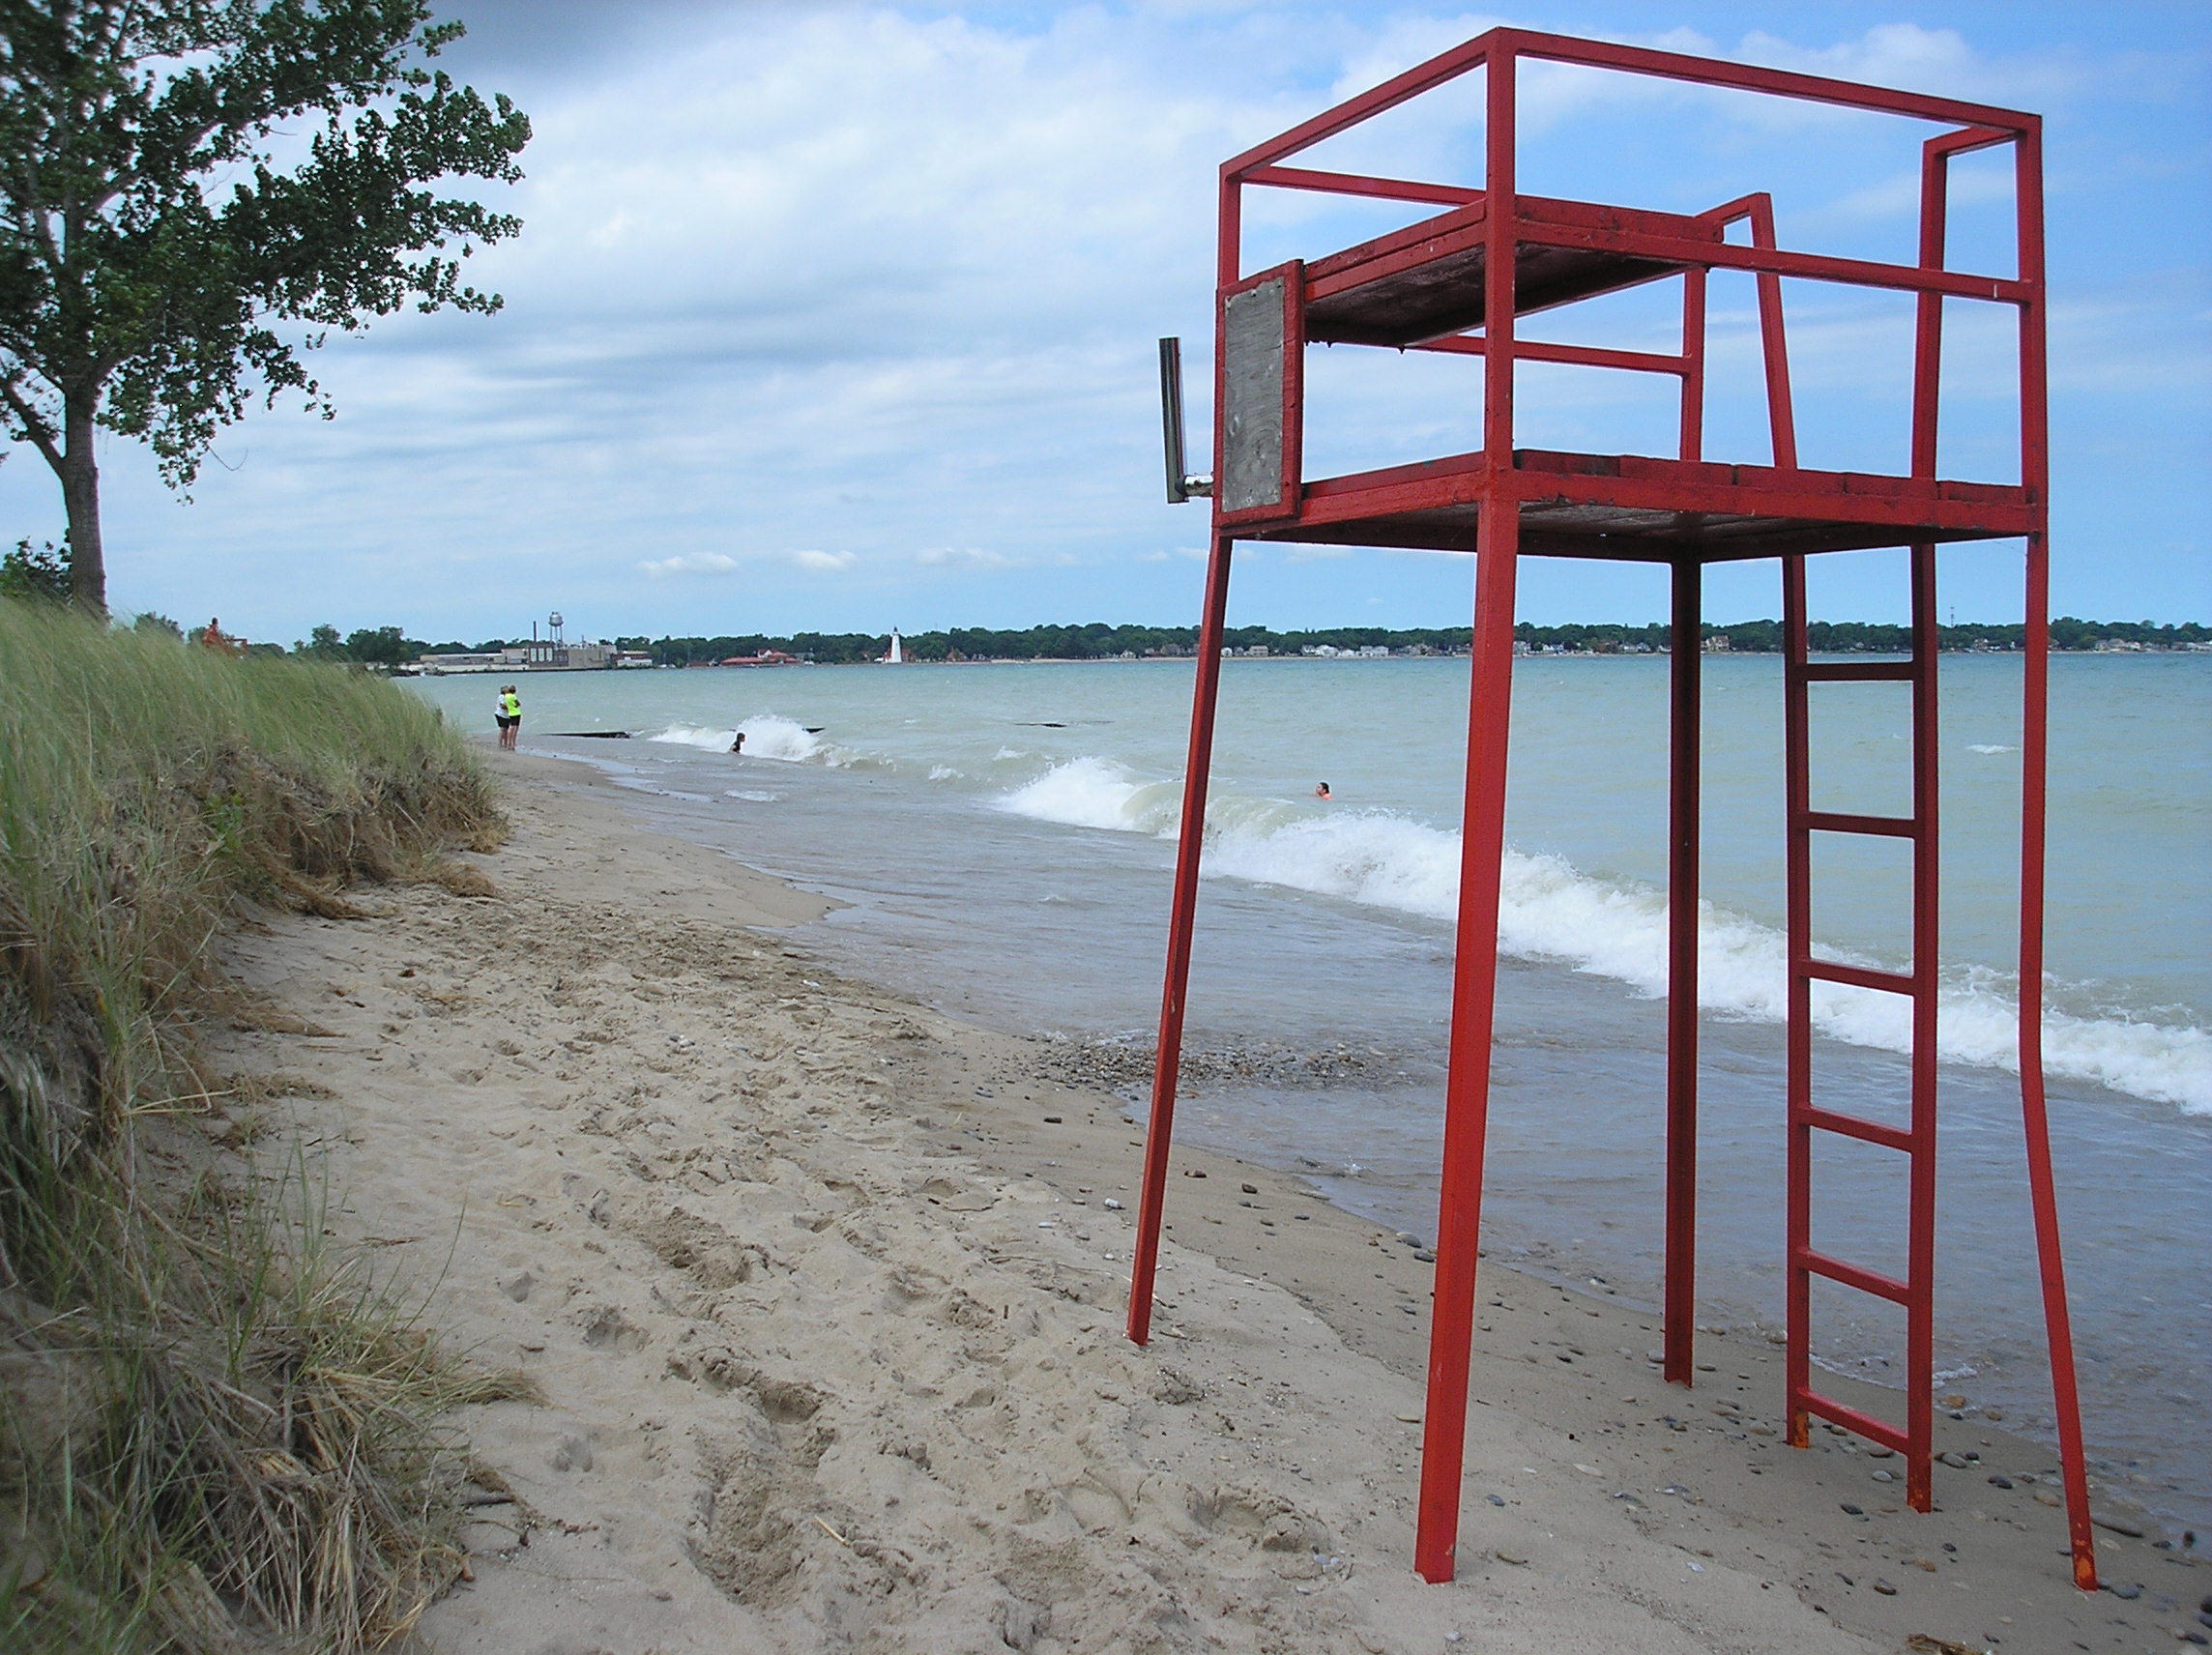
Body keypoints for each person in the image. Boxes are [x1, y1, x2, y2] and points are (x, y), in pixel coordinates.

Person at [497, 683, 522, 749]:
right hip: (504, 714)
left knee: (506, 729)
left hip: (508, 714)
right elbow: (503, 706)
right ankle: (505, 743)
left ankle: (506, 743)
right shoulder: (504, 697)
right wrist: (511, 707)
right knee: (505, 729)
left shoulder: (506, 696)